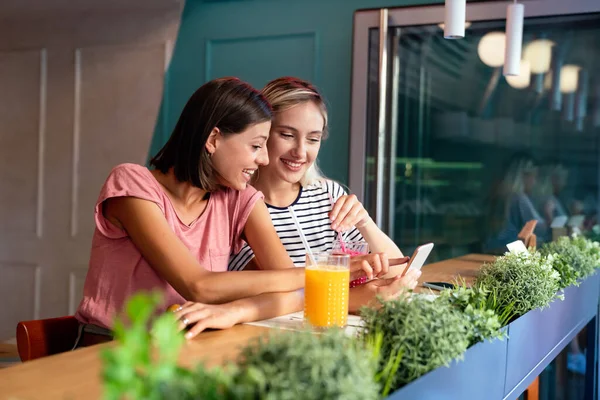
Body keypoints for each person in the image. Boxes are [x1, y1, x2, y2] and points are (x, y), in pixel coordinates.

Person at [73, 77, 384, 345]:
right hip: (112, 349)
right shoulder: (132, 186)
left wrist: (235, 311)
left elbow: (296, 292)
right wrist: (323, 275)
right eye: (256, 145)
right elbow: (199, 286)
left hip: (186, 346)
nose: (264, 159)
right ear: (213, 139)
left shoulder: (239, 198)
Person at [228, 77, 420, 312]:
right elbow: (283, 293)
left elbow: (399, 275)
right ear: (262, 132)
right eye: (287, 135)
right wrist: (359, 298)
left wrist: (365, 222)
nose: (300, 152)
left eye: (313, 139)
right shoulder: (239, 205)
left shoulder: (327, 194)